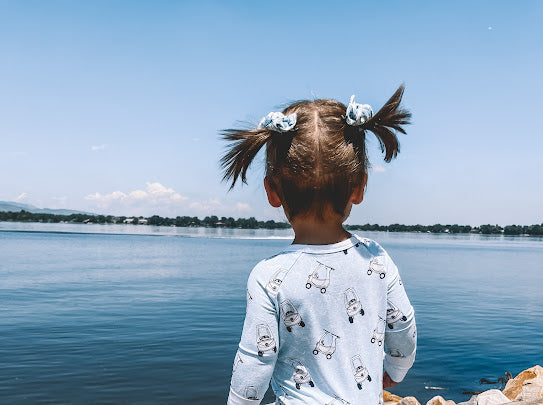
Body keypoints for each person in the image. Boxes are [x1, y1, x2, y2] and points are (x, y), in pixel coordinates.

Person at [221, 85, 417, 405]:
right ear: (359, 188)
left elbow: (255, 362)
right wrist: (397, 368)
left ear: (272, 191)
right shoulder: (377, 260)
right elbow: (403, 326)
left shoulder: (269, 275)